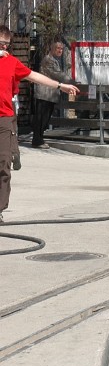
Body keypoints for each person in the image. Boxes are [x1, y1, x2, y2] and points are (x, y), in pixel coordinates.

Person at [0, 25, 80, 222]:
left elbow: (34, 76)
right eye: (1, 43)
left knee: (3, 163)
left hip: (4, 118)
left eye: (7, 44)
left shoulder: (11, 62)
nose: (4, 47)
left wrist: (60, 85)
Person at [32, 40, 72, 149]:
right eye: (58, 48)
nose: (60, 51)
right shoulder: (48, 60)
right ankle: (37, 140)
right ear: (52, 49)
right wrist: (71, 81)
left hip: (50, 94)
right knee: (41, 118)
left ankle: (39, 139)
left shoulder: (55, 60)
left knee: (45, 118)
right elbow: (57, 74)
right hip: (44, 94)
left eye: (61, 49)